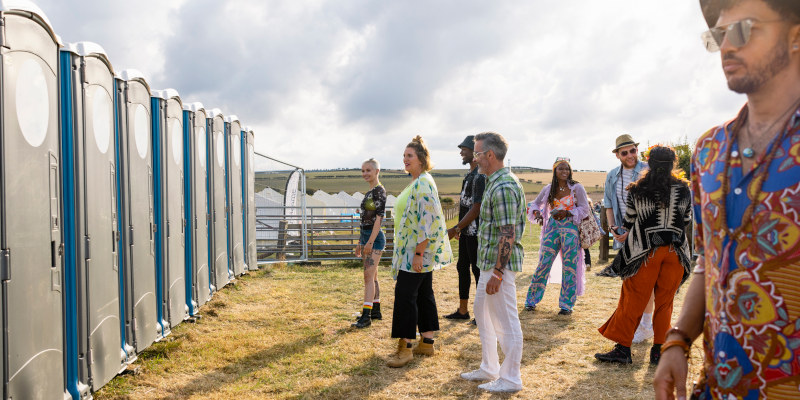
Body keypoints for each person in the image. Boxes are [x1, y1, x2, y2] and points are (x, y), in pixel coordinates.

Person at [654, 1, 800, 398]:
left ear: (795, 36)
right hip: (718, 386)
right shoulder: (709, 149)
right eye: (718, 35)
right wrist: (678, 339)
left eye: (743, 30)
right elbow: (709, 257)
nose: (726, 47)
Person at [594, 146, 693, 365]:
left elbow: (629, 221)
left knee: (633, 300)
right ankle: (658, 351)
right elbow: (686, 219)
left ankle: (623, 349)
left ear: (649, 161)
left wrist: (622, 231)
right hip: (676, 252)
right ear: (673, 163)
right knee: (665, 303)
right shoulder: (684, 189)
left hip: (644, 252)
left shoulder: (637, 189)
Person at [459, 132, 525, 393]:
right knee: (483, 314)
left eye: (476, 153)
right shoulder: (493, 182)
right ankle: (490, 367)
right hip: (488, 263)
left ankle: (511, 379)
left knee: (506, 322)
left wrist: (498, 272)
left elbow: (507, 233)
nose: (474, 158)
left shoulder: (504, 187)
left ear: (489, 155)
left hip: (500, 266)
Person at [386, 136, 452, 368]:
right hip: (414, 251)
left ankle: (405, 348)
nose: (405, 159)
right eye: (404, 156)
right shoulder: (419, 181)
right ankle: (427, 342)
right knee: (424, 294)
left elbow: (428, 221)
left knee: (405, 296)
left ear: (422, 159)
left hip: (415, 253)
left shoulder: (423, 183)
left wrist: (418, 253)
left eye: (410, 156)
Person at [598, 134, 656, 346]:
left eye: (633, 150)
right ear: (617, 155)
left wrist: (634, 231)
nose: (630, 155)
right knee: (630, 281)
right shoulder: (613, 175)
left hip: (647, 234)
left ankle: (647, 325)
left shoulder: (649, 170)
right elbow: (609, 204)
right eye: (625, 152)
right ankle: (637, 324)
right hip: (623, 234)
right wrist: (613, 227)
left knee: (646, 281)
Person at [524, 157, 590, 315]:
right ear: (555, 170)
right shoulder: (548, 189)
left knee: (570, 267)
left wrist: (567, 212)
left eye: (567, 168)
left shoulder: (577, 188)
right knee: (543, 264)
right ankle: (531, 301)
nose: (564, 171)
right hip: (551, 230)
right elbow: (535, 204)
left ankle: (566, 305)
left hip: (571, 230)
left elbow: (585, 209)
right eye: (561, 168)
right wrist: (537, 213)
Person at [445, 135, 485, 323]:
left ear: (475, 153)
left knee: (477, 271)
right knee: (462, 268)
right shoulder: (469, 175)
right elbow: (464, 206)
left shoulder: (480, 176)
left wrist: (456, 228)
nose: (461, 152)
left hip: (475, 232)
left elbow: (476, 208)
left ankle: (481, 314)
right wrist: (460, 229)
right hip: (465, 232)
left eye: (465, 149)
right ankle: (463, 311)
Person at [352, 158, 387, 329]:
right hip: (366, 236)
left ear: (377, 172)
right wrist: (361, 241)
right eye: (363, 171)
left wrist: (370, 242)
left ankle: (366, 317)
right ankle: (376, 310)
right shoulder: (369, 193)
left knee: (367, 277)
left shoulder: (379, 191)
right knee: (372, 276)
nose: (365, 173)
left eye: (368, 170)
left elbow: (379, 218)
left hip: (375, 238)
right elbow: (364, 219)